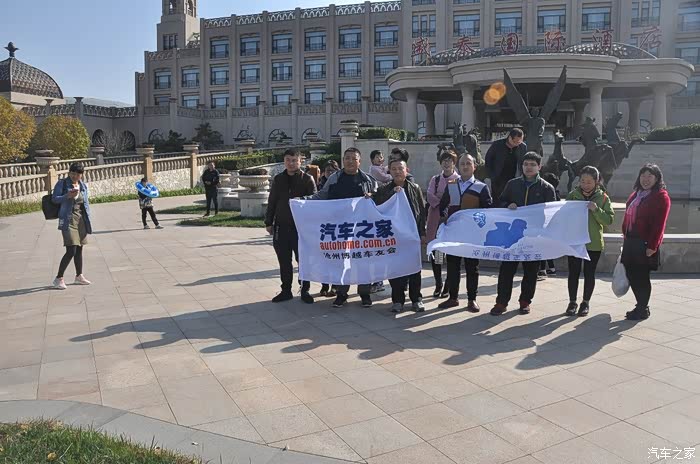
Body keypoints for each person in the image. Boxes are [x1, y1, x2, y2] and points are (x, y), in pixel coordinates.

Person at [309, 147, 378, 308]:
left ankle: (365, 293)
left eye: (354, 158)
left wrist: (373, 196)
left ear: (360, 161)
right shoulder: (334, 178)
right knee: (341, 262)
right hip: (339, 228)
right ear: (343, 160)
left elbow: (378, 197)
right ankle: (341, 294)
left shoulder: (368, 180)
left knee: (363, 261)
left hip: (362, 229)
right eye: (347, 158)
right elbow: (322, 195)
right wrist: (303, 201)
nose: (350, 161)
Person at [491, 152, 557, 316]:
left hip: (534, 236)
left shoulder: (546, 188)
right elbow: (501, 201)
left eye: (533, 164)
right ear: (522, 166)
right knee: (506, 270)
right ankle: (501, 302)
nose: (529, 167)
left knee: (531, 271)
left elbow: (552, 212)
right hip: (512, 235)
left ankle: (525, 301)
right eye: (526, 164)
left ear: (539, 167)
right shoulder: (512, 184)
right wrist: (508, 205)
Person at [438, 154, 493, 312]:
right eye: (462, 163)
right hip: (454, 232)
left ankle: (471, 299)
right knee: (452, 266)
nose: (465, 166)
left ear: (474, 166)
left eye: (468, 163)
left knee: (471, 267)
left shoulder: (481, 187)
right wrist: (446, 217)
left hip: (472, 234)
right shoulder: (451, 184)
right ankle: (453, 298)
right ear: (458, 166)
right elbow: (443, 205)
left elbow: (488, 209)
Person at [374, 159, 427, 313]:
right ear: (389, 171)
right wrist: (392, 194)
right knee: (395, 269)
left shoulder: (414, 188)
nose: (397, 171)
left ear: (406, 170)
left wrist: (422, 232)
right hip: (394, 236)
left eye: (400, 168)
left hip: (411, 234)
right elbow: (378, 205)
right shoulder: (384, 189)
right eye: (394, 169)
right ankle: (397, 300)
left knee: (414, 269)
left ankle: (416, 299)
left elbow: (421, 210)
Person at [265, 149, 317, 304]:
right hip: (281, 226)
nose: (291, 163)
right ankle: (286, 290)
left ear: (301, 161)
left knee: (303, 260)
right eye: (288, 160)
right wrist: (269, 222)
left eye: (294, 160)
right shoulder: (278, 179)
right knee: (284, 261)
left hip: (301, 228)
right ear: (284, 161)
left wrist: (301, 200)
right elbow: (272, 201)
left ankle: (305, 290)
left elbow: (315, 201)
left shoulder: (307, 179)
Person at [621, 163, 671, 321]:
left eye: (650, 176)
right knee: (631, 274)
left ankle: (642, 308)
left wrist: (652, 246)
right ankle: (642, 305)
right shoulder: (636, 194)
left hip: (644, 243)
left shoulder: (661, 197)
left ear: (657, 179)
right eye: (643, 175)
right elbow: (628, 216)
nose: (646, 179)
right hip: (631, 241)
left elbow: (659, 224)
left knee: (641, 276)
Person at [565, 166, 614, 317]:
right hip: (575, 241)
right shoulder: (573, 196)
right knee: (573, 273)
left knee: (589, 273)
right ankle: (572, 302)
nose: (585, 185)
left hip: (593, 243)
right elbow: (564, 216)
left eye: (589, 182)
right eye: (583, 181)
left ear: (596, 182)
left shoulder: (603, 198)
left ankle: (585, 303)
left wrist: (596, 210)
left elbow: (609, 220)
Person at [52, 163, 93, 290]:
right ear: (69, 173)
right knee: (71, 250)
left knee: (80, 248)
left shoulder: (82, 185)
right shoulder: (62, 183)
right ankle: (58, 278)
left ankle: (79, 276)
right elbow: (54, 199)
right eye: (72, 173)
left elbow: (85, 203)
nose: (75, 176)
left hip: (81, 219)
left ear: (81, 175)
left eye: (78, 174)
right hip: (68, 219)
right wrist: (67, 196)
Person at [426, 150, 459, 297]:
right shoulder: (436, 179)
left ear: (454, 163)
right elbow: (429, 195)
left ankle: (448, 285)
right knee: (437, 253)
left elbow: (456, 199)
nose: (446, 163)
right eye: (444, 160)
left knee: (451, 255)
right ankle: (438, 283)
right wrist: (441, 205)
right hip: (436, 217)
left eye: (449, 160)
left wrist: (446, 207)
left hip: (451, 218)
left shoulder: (457, 180)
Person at [485, 128, 527, 200]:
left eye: (520, 142)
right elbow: (488, 159)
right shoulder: (497, 145)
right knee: (498, 199)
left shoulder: (522, 147)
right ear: (510, 138)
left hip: (515, 178)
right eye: (515, 142)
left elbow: (523, 161)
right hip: (498, 178)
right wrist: (491, 175)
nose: (517, 144)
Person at [318, 160, 340, 298]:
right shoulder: (319, 186)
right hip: (324, 226)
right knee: (324, 257)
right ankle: (324, 285)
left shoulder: (340, 184)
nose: (330, 173)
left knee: (336, 257)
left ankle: (335, 286)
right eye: (328, 171)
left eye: (333, 170)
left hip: (338, 226)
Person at [538, 172, 561, 280]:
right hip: (552, 225)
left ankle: (542, 269)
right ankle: (551, 268)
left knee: (542, 247)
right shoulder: (557, 194)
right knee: (546, 247)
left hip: (544, 223)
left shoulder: (547, 192)